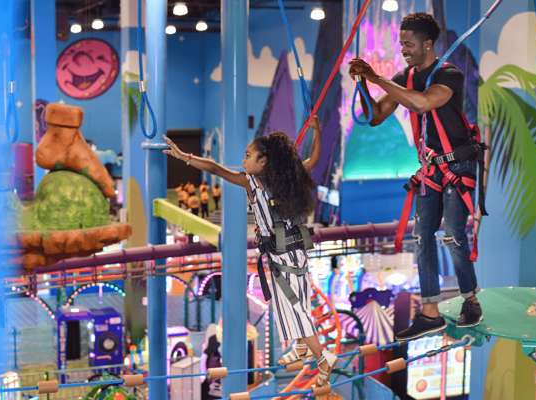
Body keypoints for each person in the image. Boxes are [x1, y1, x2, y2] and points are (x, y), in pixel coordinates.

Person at [162, 117, 336, 387]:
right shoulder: (291, 178)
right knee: (291, 303)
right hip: (296, 251)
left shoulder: (254, 184)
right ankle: (302, 348)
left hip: (282, 254)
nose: (243, 161)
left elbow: (215, 169)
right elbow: (314, 158)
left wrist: (184, 157)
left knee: (295, 309)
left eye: (248, 156)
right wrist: (318, 132)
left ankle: (323, 358)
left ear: (264, 161)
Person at [349, 12, 483, 341]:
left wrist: (377, 78)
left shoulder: (450, 75)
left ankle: (471, 300)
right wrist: (364, 83)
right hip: (430, 169)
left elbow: (423, 104)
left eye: (409, 45)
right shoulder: (405, 77)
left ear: (427, 44)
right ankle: (430, 313)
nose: (404, 50)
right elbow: (377, 115)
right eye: (402, 45)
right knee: (422, 238)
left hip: (457, 166)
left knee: (452, 235)